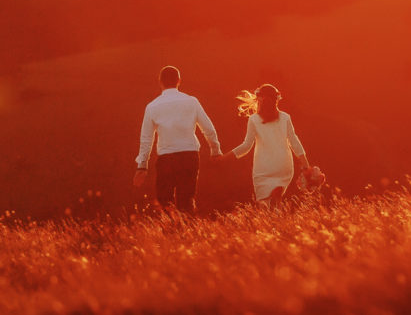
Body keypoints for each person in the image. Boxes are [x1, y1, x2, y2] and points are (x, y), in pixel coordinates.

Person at [134, 65, 222, 212]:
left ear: (160, 82)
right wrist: (215, 150)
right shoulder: (192, 101)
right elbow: (208, 128)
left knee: (165, 203)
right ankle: (187, 230)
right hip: (189, 156)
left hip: (166, 159)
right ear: (179, 81)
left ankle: (172, 231)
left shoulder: (152, 107)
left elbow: (146, 139)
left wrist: (142, 165)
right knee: (186, 200)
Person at [222, 83, 313, 206]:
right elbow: (294, 142)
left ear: (259, 100)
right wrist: (306, 166)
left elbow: (246, 146)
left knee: (264, 205)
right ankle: (277, 203)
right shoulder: (285, 118)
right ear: (277, 100)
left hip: (264, 168)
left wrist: (224, 158)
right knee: (275, 203)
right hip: (284, 166)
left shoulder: (254, 119)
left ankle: (273, 207)